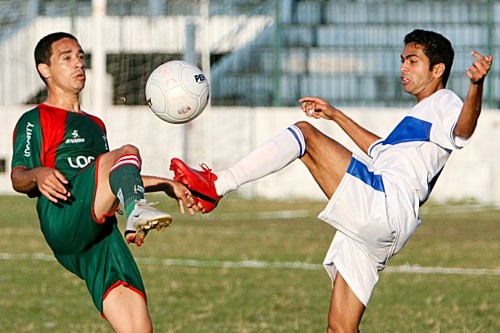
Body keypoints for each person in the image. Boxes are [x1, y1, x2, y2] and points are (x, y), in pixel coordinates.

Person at [169, 29, 493, 332]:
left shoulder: (446, 102)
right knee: (340, 328)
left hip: (384, 203)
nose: (403, 68)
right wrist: (335, 115)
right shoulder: (421, 117)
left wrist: (475, 87)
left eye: (412, 61)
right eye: (402, 60)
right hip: (384, 222)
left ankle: (216, 186)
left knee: (304, 135)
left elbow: (462, 131)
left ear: (437, 70)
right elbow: (379, 150)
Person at [11, 32, 194, 332]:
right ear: (45, 70)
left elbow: (112, 176)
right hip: (64, 215)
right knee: (128, 151)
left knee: (138, 327)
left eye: (81, 57)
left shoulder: (96, 125)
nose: (78, 63)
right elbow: (18, 177)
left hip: (99, 235)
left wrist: (164, 183)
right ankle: (137, 210)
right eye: (66, 58)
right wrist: (37, 173)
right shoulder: (35, 119)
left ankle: (136, 208)